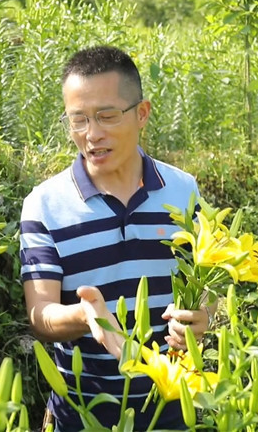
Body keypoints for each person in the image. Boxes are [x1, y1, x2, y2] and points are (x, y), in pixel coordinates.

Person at [19, 46, 214, 431]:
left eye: (106, 117)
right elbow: (40, 314)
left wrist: (204, 317)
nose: (91, 135)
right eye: (78, 121)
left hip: (173, 409)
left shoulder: (184, 192)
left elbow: (207, 285)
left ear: (142, 114)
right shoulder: (44, 206)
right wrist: (85, 316)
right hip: (82, 416)